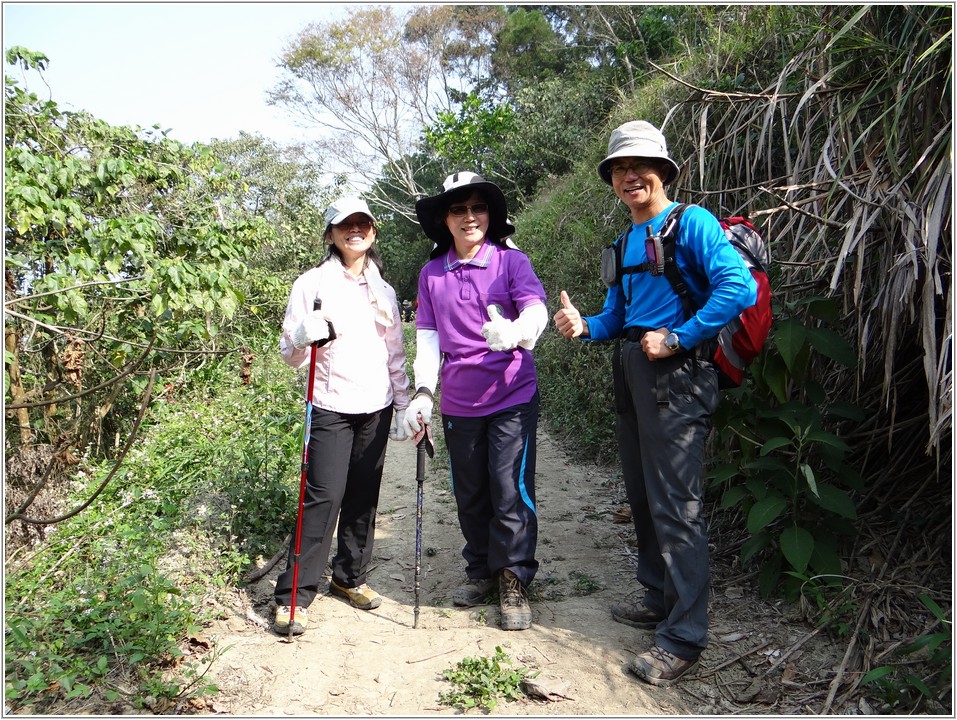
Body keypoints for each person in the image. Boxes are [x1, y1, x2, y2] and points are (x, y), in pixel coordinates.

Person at [553, 121, 757, 685]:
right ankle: (658, 596)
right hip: (633, 366)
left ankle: (685, 637)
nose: (629, 175)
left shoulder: (691, 223)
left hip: (678, 372)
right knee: (642, 493)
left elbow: (737, 286)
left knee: (676, 504)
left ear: (664, 172)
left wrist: (679, 337)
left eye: (640, 165)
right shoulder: (623, 243)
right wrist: (584, 325)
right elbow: (617, 317)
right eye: (619, 168)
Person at [403, 172, 548, 631]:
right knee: (470, 492)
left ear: (490, 215)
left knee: (509, 489)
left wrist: (517, 332)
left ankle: (513, 576)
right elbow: (427, 339)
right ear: (445, 220)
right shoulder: (431, 274)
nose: (469, 217)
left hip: (512, 394)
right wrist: (424, 391)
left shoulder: (511, 261)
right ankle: (481, 569)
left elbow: (536, 311)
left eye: (477, 208)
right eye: (458, 209)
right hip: (460, 402)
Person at [272, 196, 411, 636]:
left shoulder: (383, 289)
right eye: (344, 224)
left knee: (363, 494)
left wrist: (405, 402)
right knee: (324, 497)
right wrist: (300, 336)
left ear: (373, 231)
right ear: (331, 234)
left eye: (363, 223)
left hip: (378, 403)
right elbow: (290, 355)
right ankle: (295, 594)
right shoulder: (311, 284)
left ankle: (349, 577)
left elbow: (395, 351)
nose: (355, 230)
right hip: (331, 404)